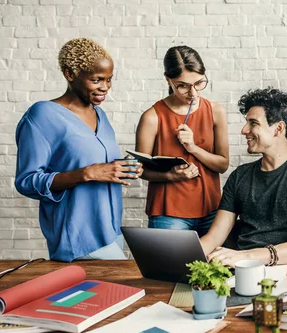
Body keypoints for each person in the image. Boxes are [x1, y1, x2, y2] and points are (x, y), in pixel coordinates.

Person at [14, 38, 143, 262]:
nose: (105, 87)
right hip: (78, 237)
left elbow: (100, 165)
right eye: (97, 80)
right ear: (70, 74)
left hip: (111, 232)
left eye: (109, 80)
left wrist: (123, 167)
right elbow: (26, 181)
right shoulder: (42, 115)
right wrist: (86, 173)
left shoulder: (100, 115)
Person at [200, 88, 287, 267]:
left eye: (253, 123)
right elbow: (214, 237)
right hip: (242, 270)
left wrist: (248, 256)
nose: (244, 130)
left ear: (278, 129)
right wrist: (178, 256)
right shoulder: (239, 176)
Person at [136, 46, 229, 236]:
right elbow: (141, 170)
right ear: (168, 80)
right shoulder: (152, 117)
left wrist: (193, 148)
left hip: (212, 211)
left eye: (199, 83)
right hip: (168, 215)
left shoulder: (216, 111)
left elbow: (223, 165)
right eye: (183, 86)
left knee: (214, 266)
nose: (193, 93)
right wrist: (170, 176)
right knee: (170, 267)